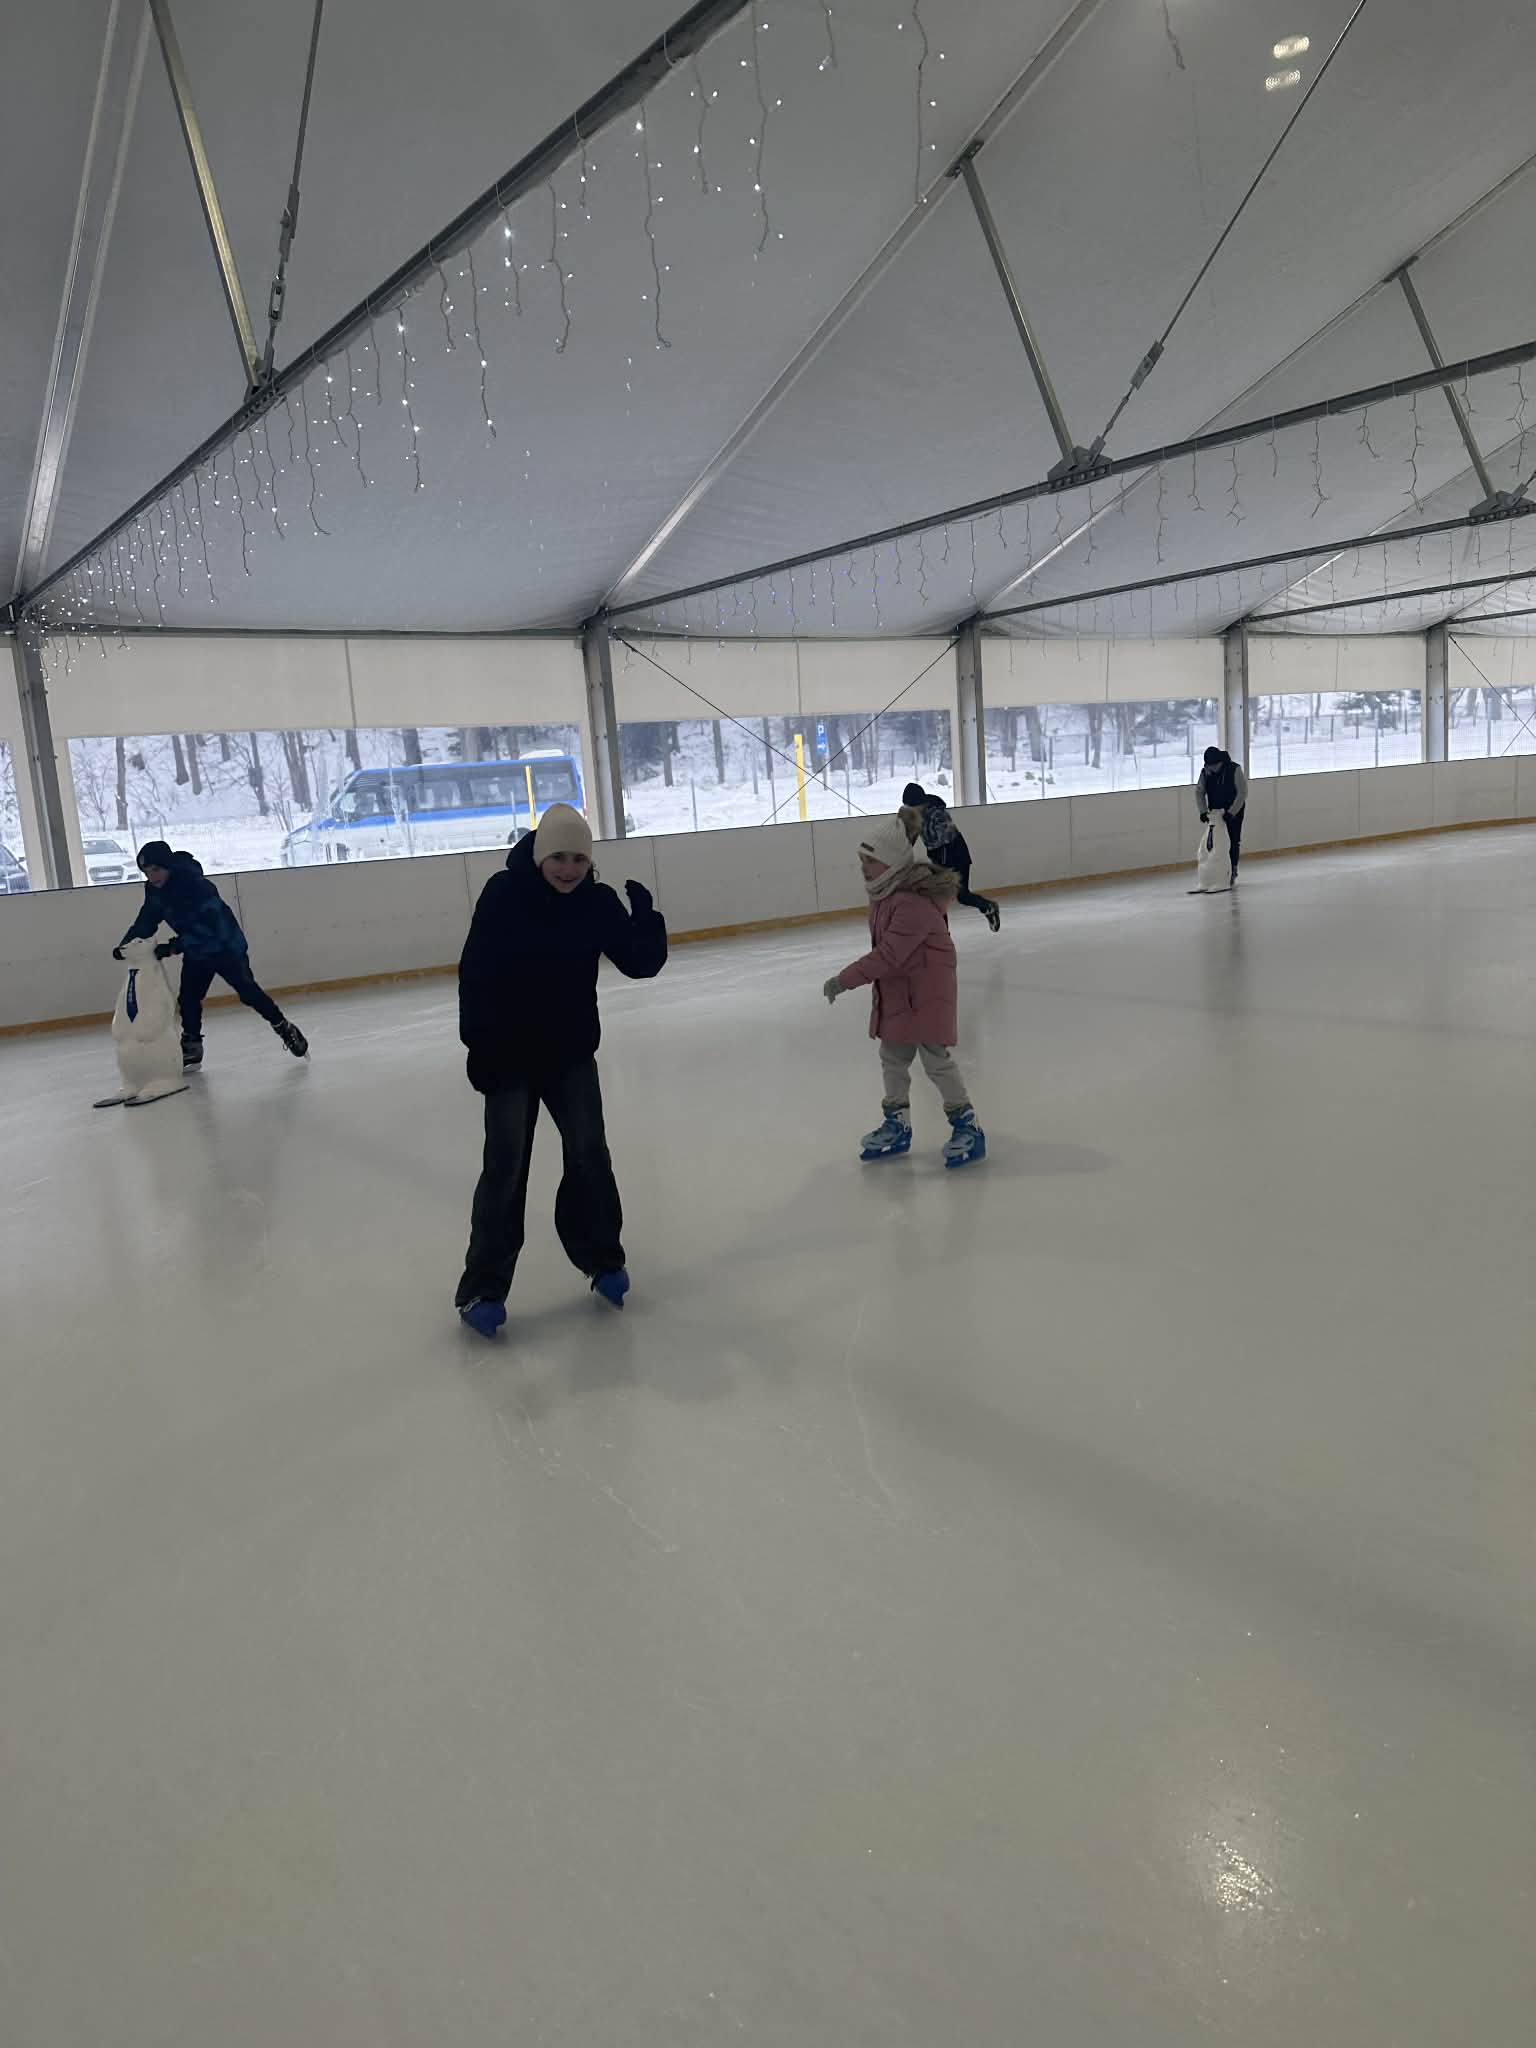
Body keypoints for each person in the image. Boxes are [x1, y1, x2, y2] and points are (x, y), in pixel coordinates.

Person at [455, 803, 668, 1339]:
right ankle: (483, 1288)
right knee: (505, 1168)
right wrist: (479, 1045)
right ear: (540, 855)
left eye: (579, 859)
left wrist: (646, 919)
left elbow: (640, 962)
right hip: (508, 1057)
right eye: (559, 857)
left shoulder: (595, 902)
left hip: (569, 1054)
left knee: (590, 1154)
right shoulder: (504, 896)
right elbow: (475, 973)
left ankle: (602, 1258)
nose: (569, 869)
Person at [823, 812, 985, 1169]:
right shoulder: (885, 896)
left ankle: (967, 1126)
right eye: (861, 861)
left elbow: (889, 955)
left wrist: (844, 979)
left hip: (926, 995)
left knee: (936, 1061)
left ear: (893, 862)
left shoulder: (912, 903)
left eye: (871, 861)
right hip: (900, 993)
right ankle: (897, 1124)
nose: (864, 868)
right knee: (893, 1058)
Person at [115, 841, 307, 1069]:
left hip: (225, 946)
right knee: (188, 998)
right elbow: (146, 920)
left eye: (156, 869)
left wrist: (173, 947)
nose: (152, 876)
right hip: (197, 952)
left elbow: (211, 929)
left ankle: (283, 1027)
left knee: (249, 993)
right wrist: (127, 944)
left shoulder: (196, 886)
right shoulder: (155, 891)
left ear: (168, 866)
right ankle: (192, 1044)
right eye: (146, 872)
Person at [901, 782, 1000, 931]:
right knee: (938, 897)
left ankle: (988, 907)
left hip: (957, 856)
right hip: (939, 858)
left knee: (962, 896)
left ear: (919, 803)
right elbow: (911, 838)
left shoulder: (937, 814)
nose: (909, 809)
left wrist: (940, 868)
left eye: (910, 806)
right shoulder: (915, 816)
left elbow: (946, 838)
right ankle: (942, 933)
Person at [1196, 746, 1249, 883]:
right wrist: (1203, 811)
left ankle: (1232, 870)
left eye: (1214, 765)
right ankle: (1215, 871)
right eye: (1209, 766)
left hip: (1234, 810)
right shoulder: (1206, 771)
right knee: (1215, 842)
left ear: (1220, 762)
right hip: (1215, 813)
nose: (1212, 768)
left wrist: (1232, 812)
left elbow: (1242, 792)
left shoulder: (1234, 769)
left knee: (1233, 840)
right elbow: (1199, 791)